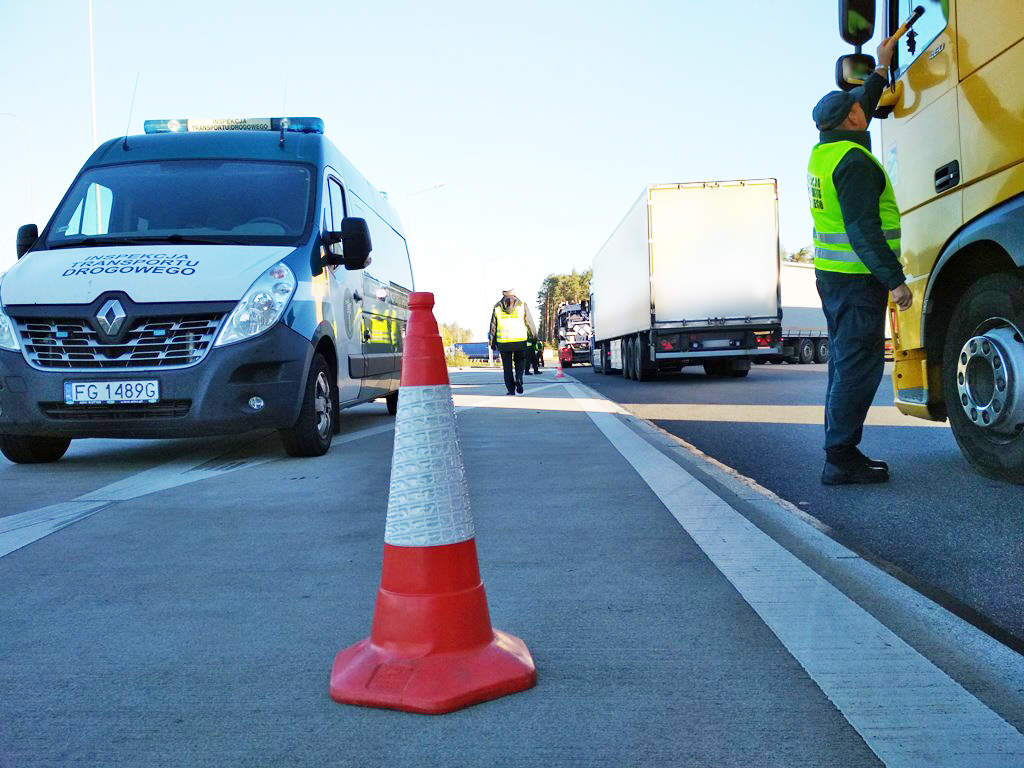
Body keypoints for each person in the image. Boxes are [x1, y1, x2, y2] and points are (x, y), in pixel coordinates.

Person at [807, 34, 913, 486]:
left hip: (836, 279)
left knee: (844, 363)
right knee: (857, 365)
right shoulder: (854, 163)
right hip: (857, 281)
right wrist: (896, 281)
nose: (861, 107)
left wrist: (881, 70)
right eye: (857, 106)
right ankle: (841, 457)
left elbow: (861, 106)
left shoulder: (826, 150)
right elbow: (863, 230)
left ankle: (839, 448)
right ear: (851, 118)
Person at [488, 288, 538, 395]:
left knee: (507, 367)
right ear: (514, 294)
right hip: (520, 341)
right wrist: (534, 338)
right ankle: (519, 378)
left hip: (503, 343)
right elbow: (530, 322)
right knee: (520, 361)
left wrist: (492, 343)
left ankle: (511, 390)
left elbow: (493, 327)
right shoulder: (522, 305)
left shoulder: (497, 307)